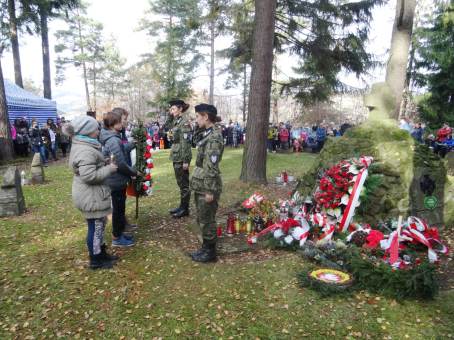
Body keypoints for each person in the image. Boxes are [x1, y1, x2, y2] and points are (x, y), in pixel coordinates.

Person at [64, 115, 119, 269]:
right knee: (96, 228)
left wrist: (103, 163)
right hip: (90, 195)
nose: (98, 130)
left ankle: (101, 254)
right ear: (88, 131)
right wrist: (109, 169)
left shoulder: (86, 145)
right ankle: (96, 260)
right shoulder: (85, 149)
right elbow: (89, 176)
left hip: (93, 194)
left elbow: (90, 167)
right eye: (96, 128)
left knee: (99, 226)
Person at [189, 103, 224, 263]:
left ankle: (210, 252)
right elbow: (195, 140)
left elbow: (211, 166)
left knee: (207, 219)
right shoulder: (207, 133)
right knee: (202, 217)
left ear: (206, 117)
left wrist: (210, 191)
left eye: (198, 116)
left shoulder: (214, 137)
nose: (196, 119)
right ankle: (205, 247)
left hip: (207, 185)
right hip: (201, 183)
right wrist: (197, 126)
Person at [100, 110, 138, 248]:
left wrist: (133, 143)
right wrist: (133, 172)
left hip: (117, 179)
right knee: (118, 209)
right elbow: (120, 163)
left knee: (120, 208)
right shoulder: (113, 139)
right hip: (116, 181)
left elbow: (120, 150)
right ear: (112, 124)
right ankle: (117, 237)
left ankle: (120, 232)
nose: (123, 123)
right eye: (120, 121)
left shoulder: (112, 137)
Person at [164, 99, 193, 218]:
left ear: (180, 109)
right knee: (181, 183)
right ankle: (182, 206)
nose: (171, 111)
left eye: (173, 109)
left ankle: (185, 209)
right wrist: (169, 115)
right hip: (176, 155)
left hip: (181, 156)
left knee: (184, 184)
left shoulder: (185, 122)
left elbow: (186, 143)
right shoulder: (176, 120)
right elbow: (166, 126)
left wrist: (186, 160)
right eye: (170, 109)